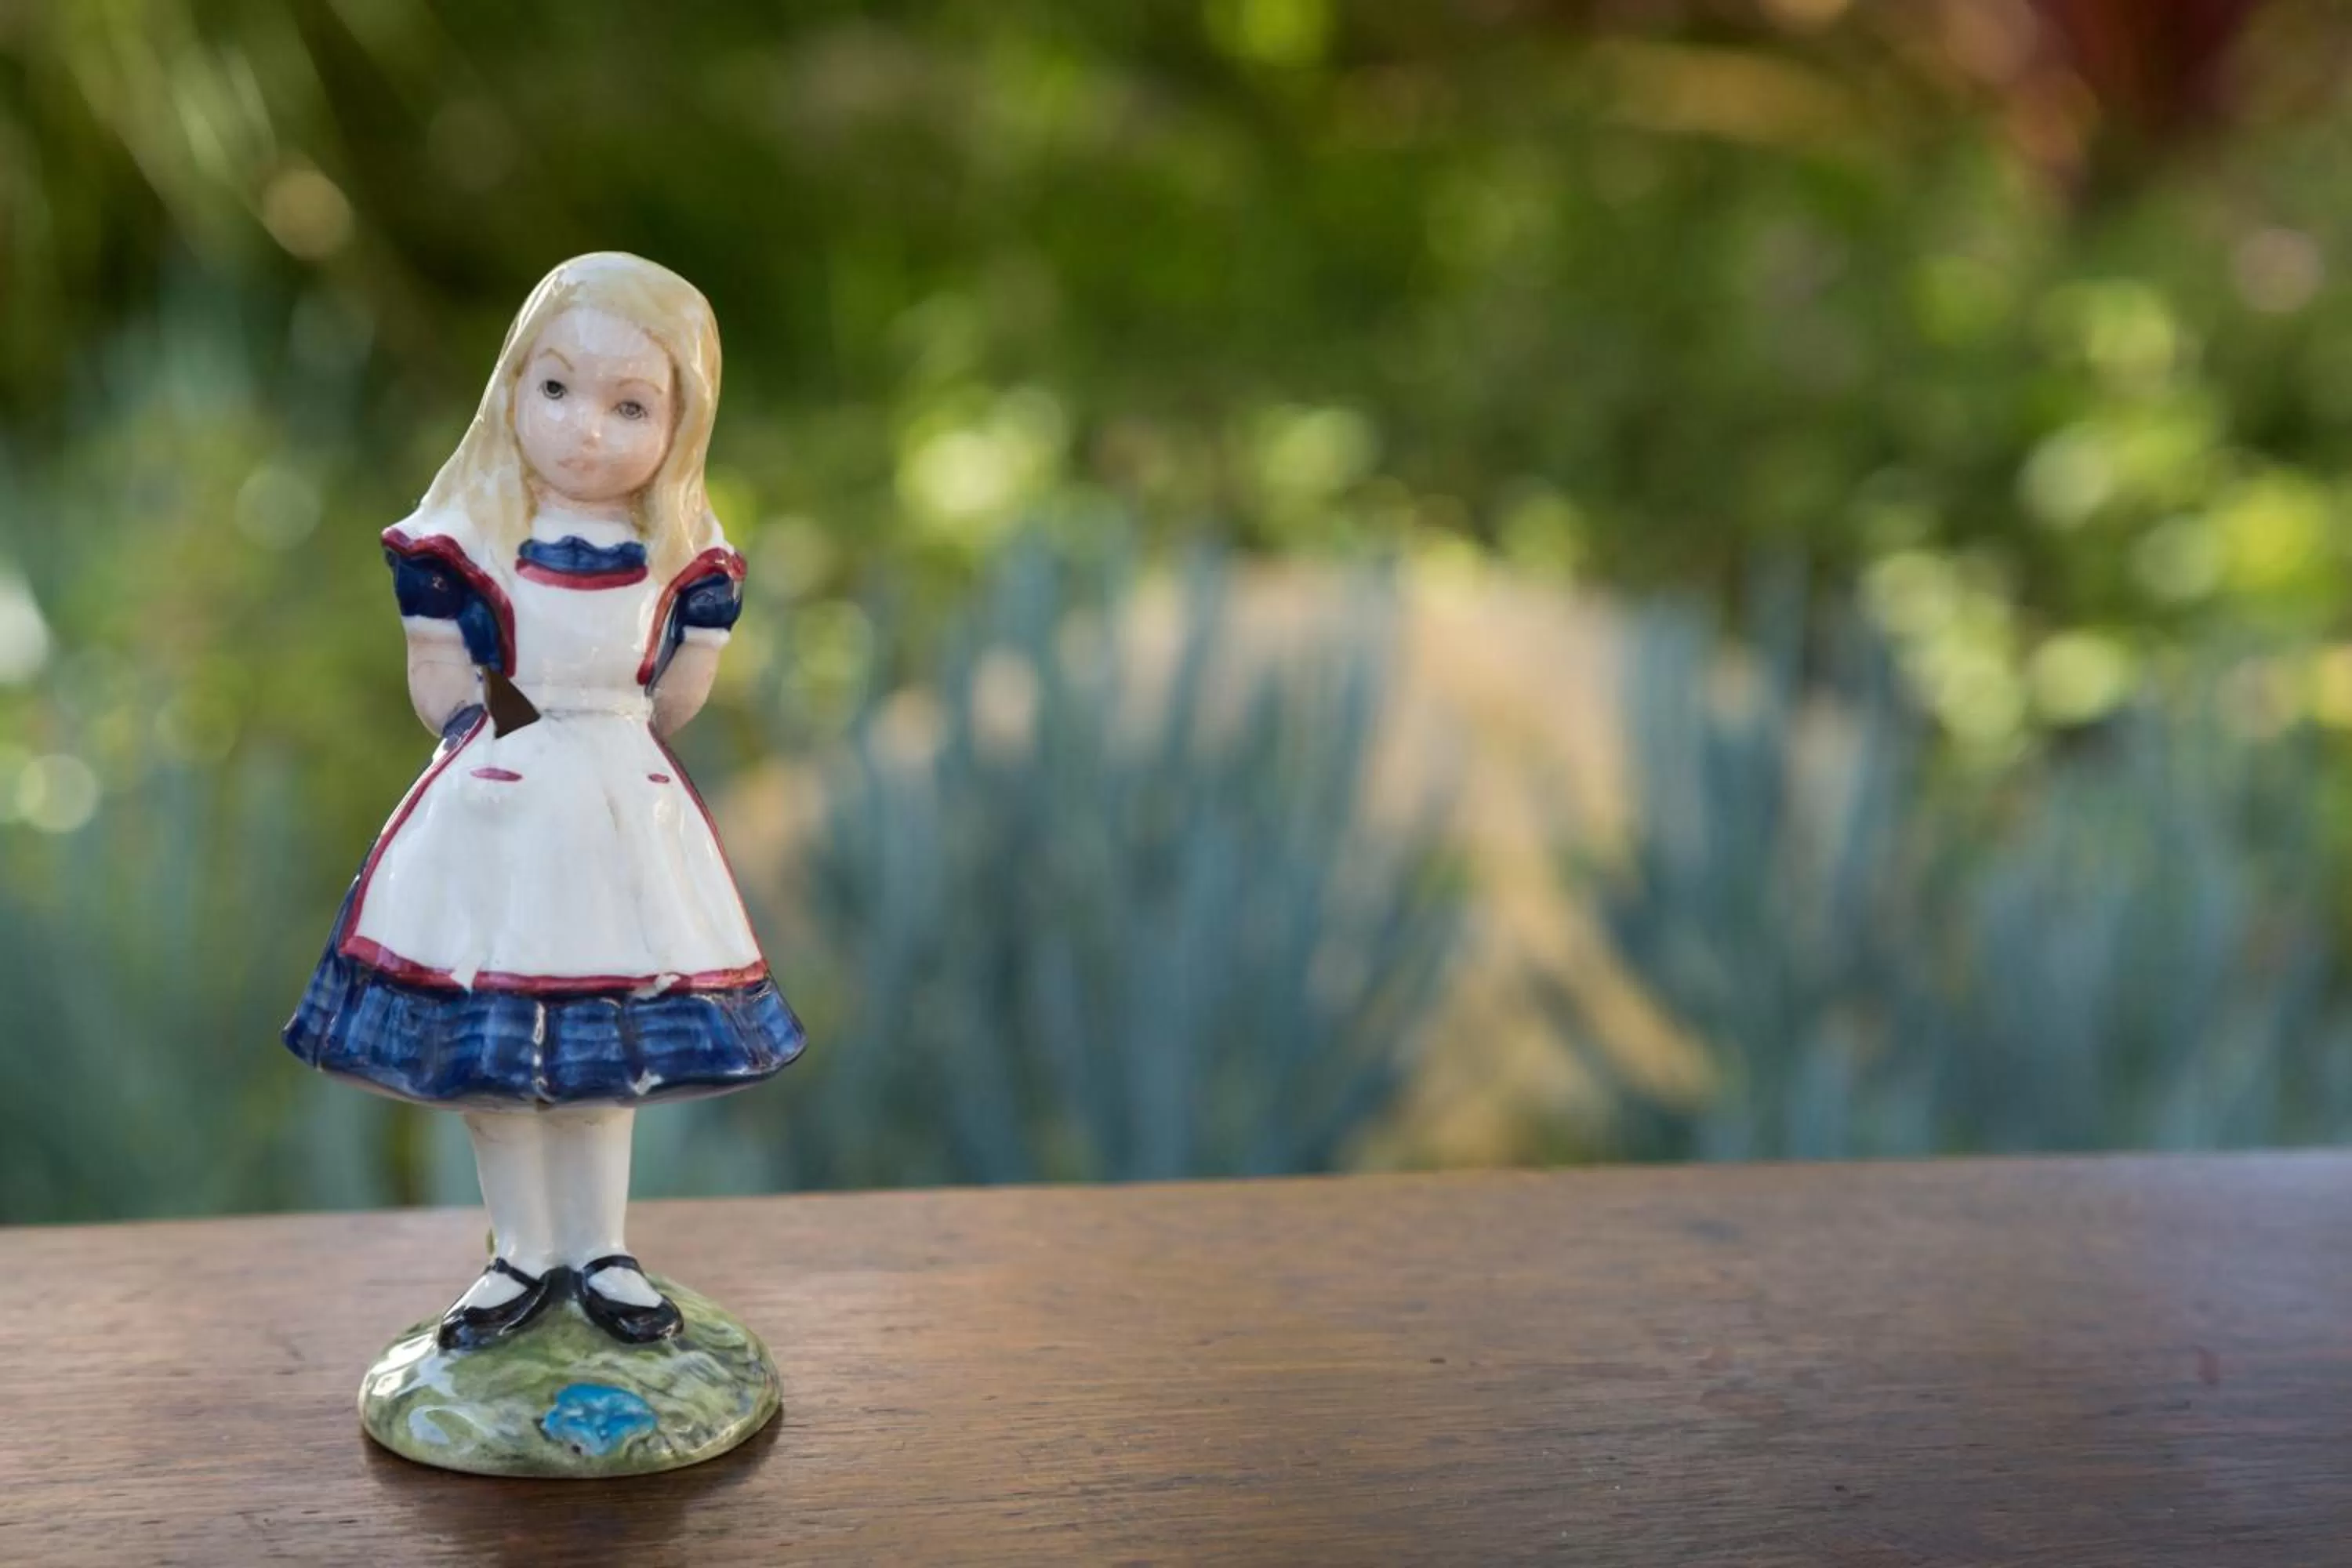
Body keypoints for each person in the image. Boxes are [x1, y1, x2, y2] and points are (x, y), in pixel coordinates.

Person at [284, 252, 804, 1351]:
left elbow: (672, 697)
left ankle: (600, 1247)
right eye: (557, 389)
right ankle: (519, 1247)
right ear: (512, 385)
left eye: (630, 407)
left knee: (595, 1056)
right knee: (495, 1049)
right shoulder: (465, 544)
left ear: (680, 423)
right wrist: (519, 741)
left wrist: (605, 755)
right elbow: (440, 683)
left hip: (614, 815)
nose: (585, 431)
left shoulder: (682, 561)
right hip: (497, 802)